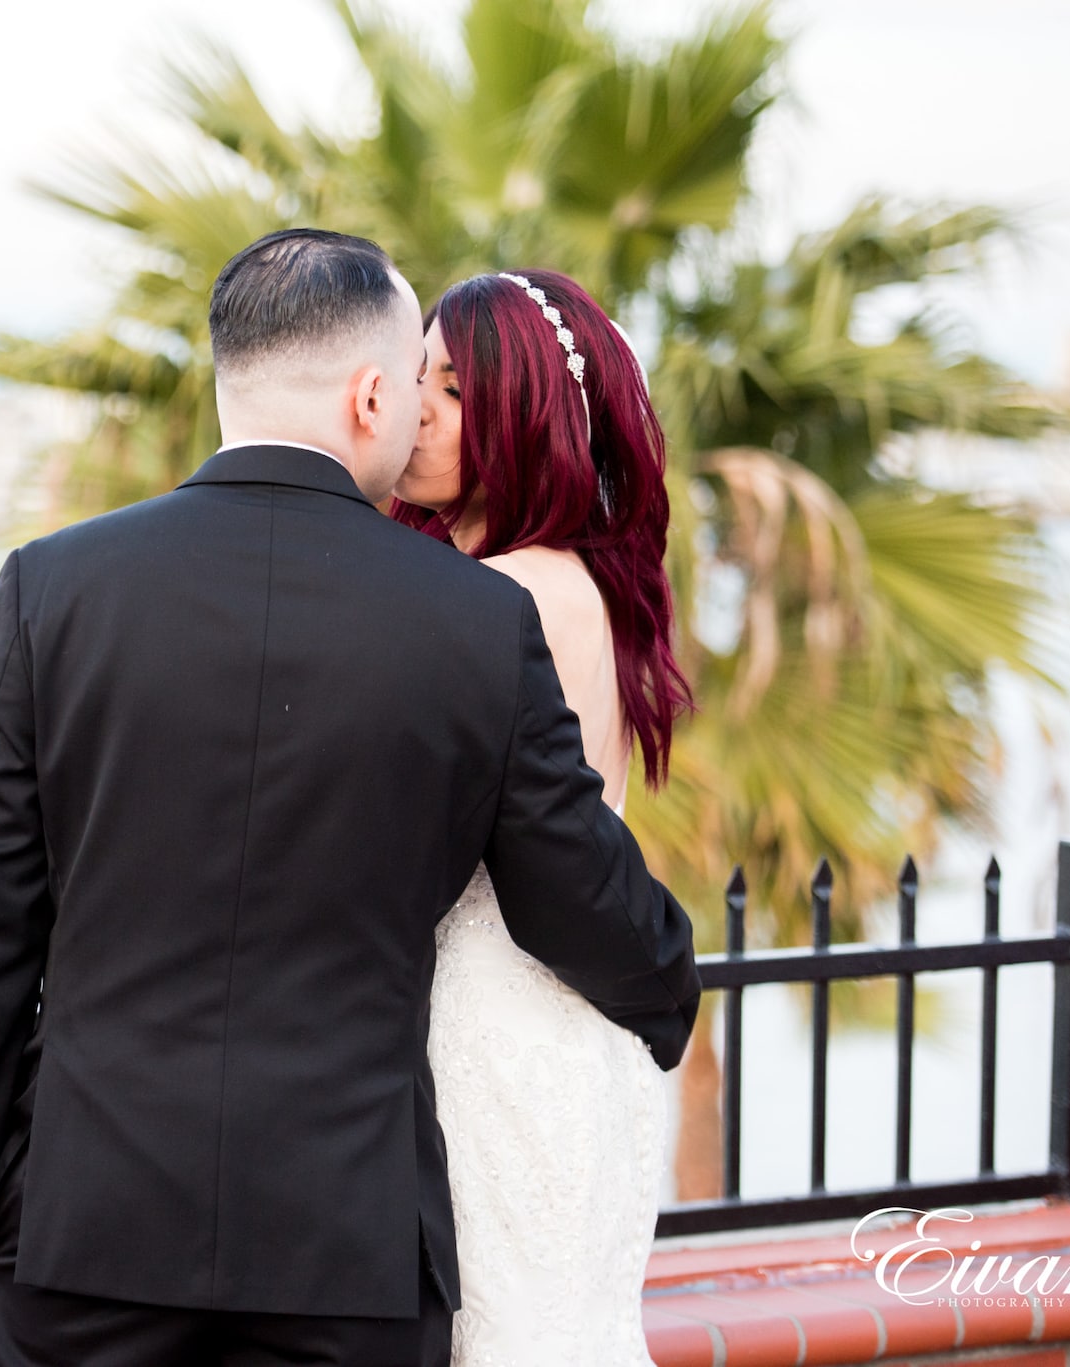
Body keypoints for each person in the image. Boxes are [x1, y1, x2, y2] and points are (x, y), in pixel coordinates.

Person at [0, 229, 701, 1367]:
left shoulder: (53, 588)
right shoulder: (475, 621)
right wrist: (667, 979)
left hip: (79, 1227)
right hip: (350, 1243)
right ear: (371, 393)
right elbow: (567, 884)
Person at [393, 269, 698, 1365]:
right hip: (565, 1032)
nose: (414, 406)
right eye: (415, 371)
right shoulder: (578, 581)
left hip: (502, 1034)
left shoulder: (505, 593)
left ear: (527, 414)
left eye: (454, 388)